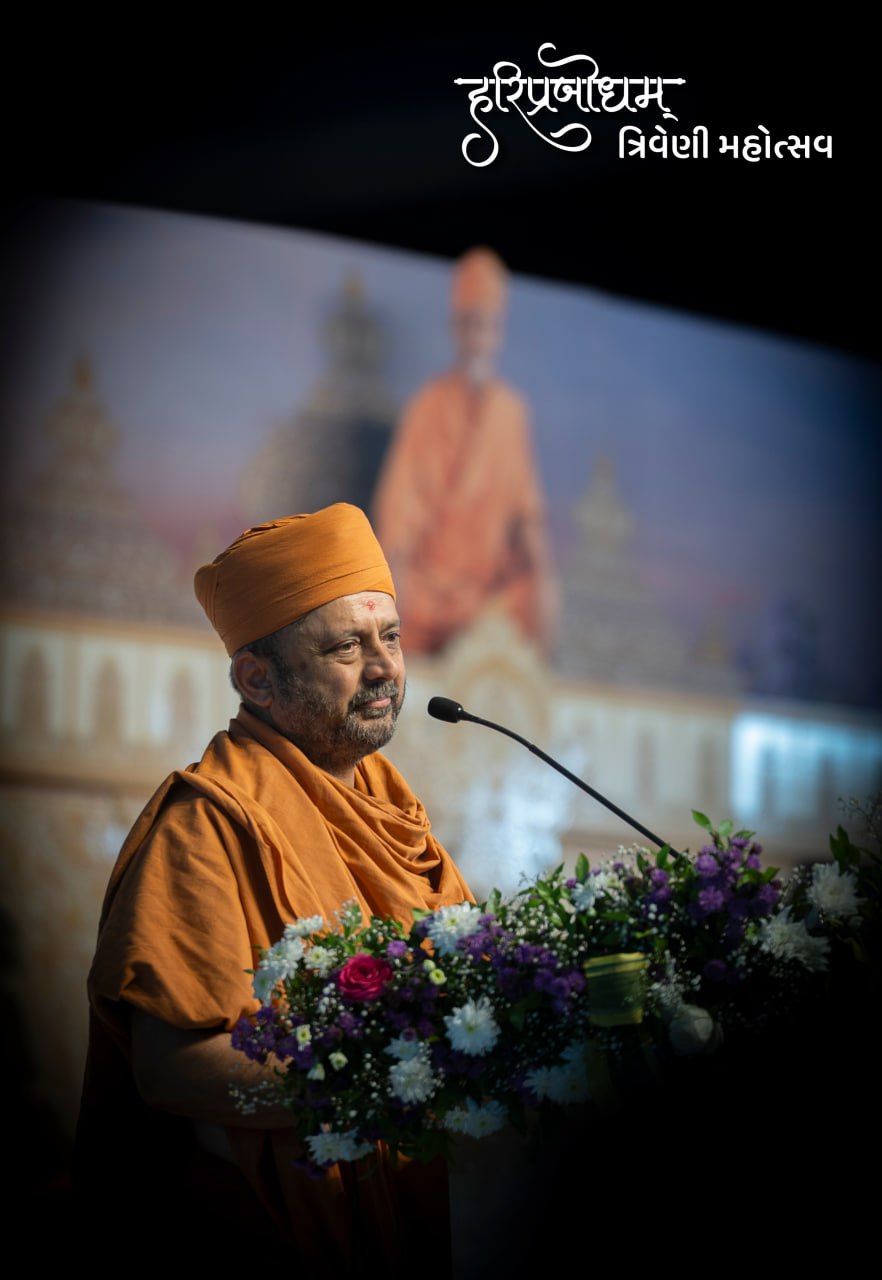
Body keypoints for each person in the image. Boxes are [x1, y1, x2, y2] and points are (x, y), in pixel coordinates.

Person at [72, 502, 473, 1267]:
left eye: (390, 637)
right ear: (257, 679)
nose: (385, 668)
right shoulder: (207, 823)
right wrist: (376, 1081)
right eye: (347, 646)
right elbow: (170, 1069)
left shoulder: (396, 813)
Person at [372, 246, 559, 658]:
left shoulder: (512, 414)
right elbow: (399, 511)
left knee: (532, 596)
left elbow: (527, 515)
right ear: (455, 328)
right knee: (393, 591)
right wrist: (397, 571)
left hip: (486, 601)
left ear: (499, 331)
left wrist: (542, 575)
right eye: (469, 323)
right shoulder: (426, 406)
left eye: (486, 325)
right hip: (428, 591)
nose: (477, 338)